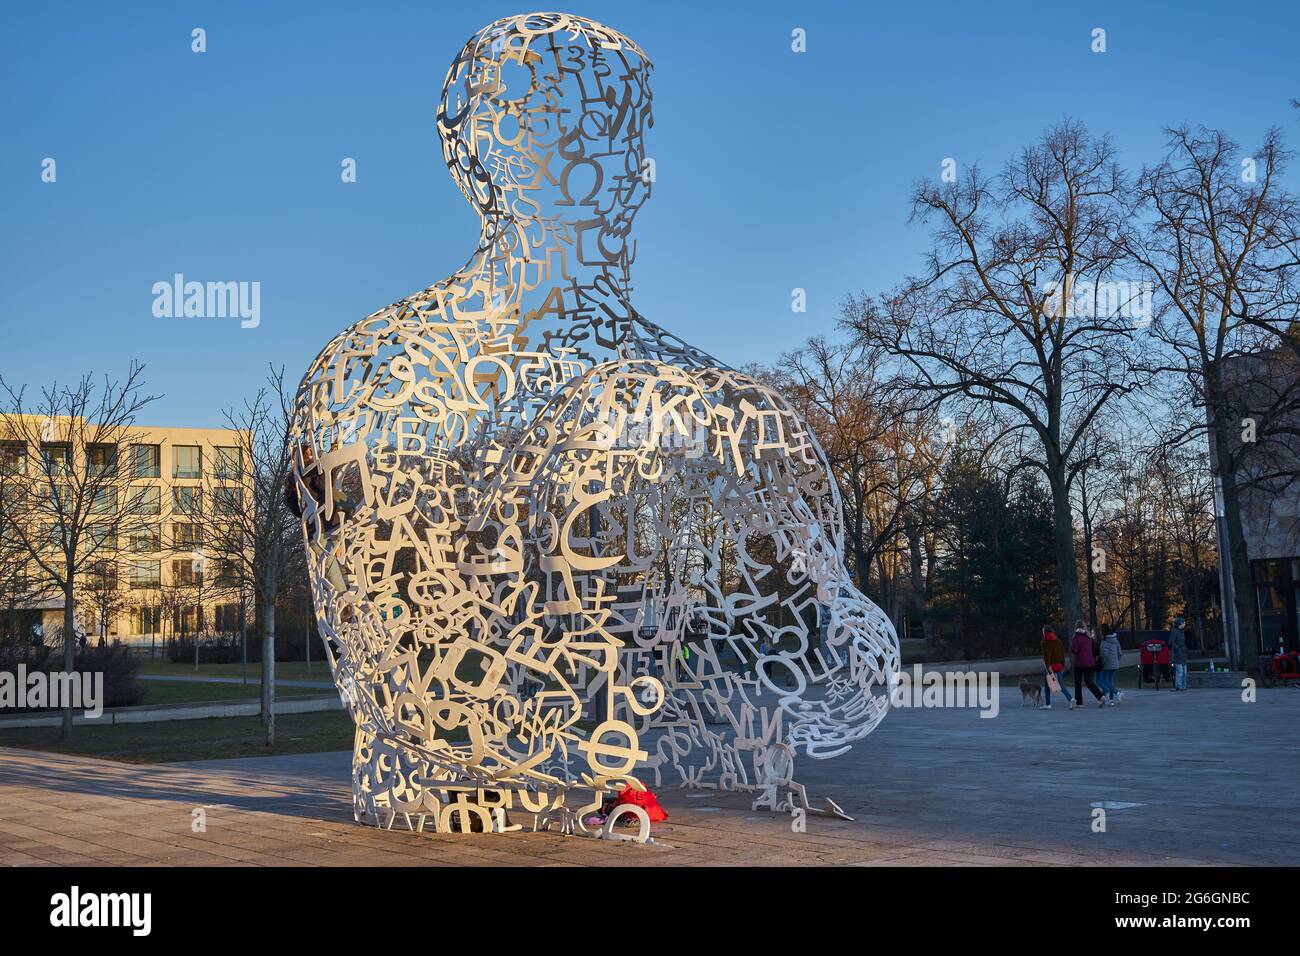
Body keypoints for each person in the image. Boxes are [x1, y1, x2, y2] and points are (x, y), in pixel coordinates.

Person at [1070, 620, 1106, 708]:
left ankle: (1079, 702)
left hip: (1079, 662)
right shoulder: (1088, 636)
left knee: (1078, 682)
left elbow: (1075, 650)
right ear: (1084, 627)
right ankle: (1100, 696)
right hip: (1090, 662)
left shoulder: (1076, 637)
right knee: (1089, 681)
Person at [1039, 625, 1068, 709]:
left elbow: (1046, 655)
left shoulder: (1044, 642)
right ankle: (1071, 699)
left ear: (1044, 632)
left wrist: (1047, 666)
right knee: (1061, 686)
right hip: (1059, 666)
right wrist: (1063, 664)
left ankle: (1048, 704)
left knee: (1047, 685)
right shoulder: (1058, 641)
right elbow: (1062, 653)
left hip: (1050, 667)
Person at [1097, 628, 1123, 705]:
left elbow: (1104, 655)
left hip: (1107, 664)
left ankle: (1117, 693)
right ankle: (1110, 700)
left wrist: (1103, 663)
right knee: (1111, 681)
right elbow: (1119, 653)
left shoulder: (1104, 642)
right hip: (1114, 663)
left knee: (1105, 681)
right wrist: (1117, 661)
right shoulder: (1116, 641)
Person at [1169, 615, 1188, 690]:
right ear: (1180, 623)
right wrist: (1177, 648)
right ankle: (1178, 686)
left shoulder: (1182, 631)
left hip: (1183, 654)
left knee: (1184, 672)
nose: (1184, 624)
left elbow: (1183, 642)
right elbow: (1171, 642)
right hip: (1178, 654)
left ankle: (1184, 686)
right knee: (1179, 671)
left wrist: (1185, 649)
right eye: (1183, 623)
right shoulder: (1174, 631)